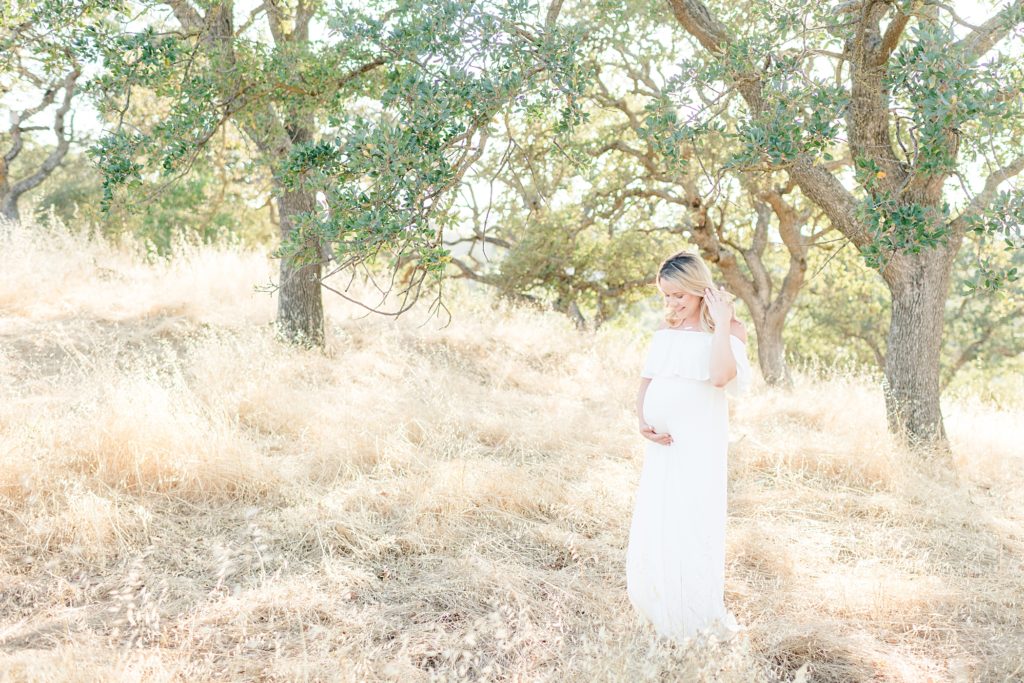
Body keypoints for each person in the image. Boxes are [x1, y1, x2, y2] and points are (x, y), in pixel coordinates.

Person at [626, 250, 752, 642]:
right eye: (666, 296)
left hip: (698, 446)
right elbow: (647, 381)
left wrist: (719, 325)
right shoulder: (664, 335)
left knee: (692, 521)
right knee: (660, 520)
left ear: (700, 291)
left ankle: (693, 615)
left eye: (680, 295)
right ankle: (660, 606)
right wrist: (642, 420)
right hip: (662, 448)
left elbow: (719, 377)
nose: (672, 304)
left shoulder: (730, 331)